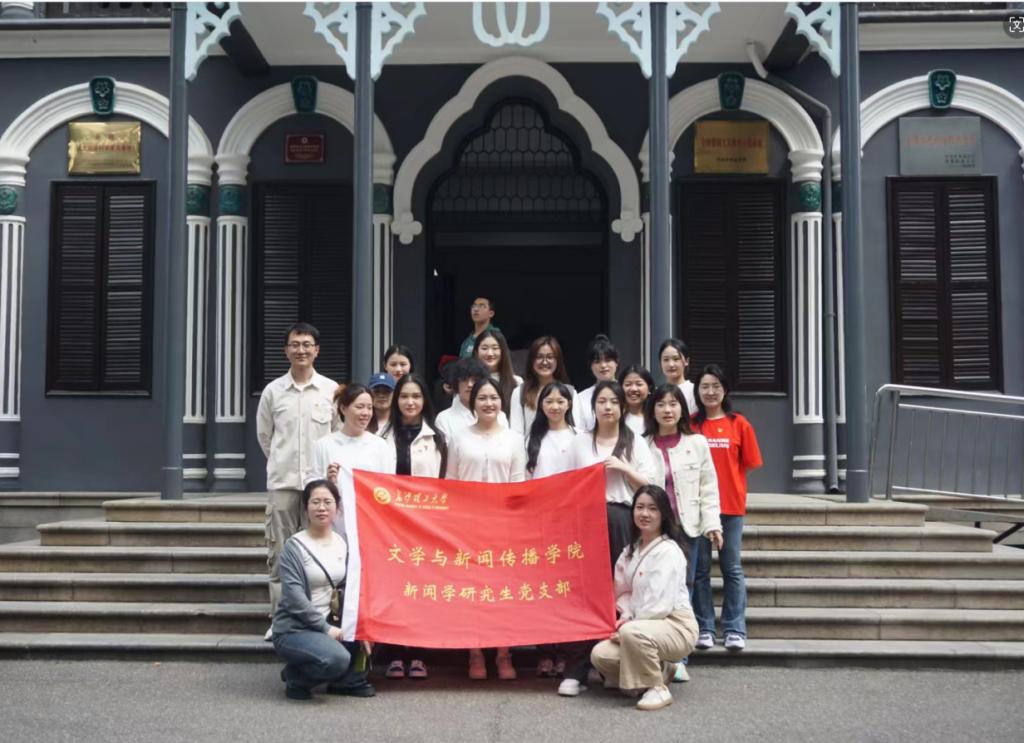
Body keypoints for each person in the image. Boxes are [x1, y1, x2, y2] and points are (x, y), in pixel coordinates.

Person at [561, 380, 657, 697]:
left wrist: (624, 469)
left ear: (622, 406)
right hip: (584, 520)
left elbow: (651, 485)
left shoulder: (634, 442)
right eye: (602, 401)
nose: (607, 407)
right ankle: (576, 669)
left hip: (621, 519)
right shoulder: (579, 442)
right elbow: (566, 482)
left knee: (620, 589)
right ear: (593, 407)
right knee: (584, 592)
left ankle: (612, 666)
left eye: (614, 402)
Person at [256, 321, 339, 639]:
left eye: (307, 344)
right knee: (281, 553)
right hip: (283, 484)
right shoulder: (273, 391)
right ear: (286, 350)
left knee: (318, 553)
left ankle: (317, 619)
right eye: (295, 344)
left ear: (317, 350)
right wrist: (282, 462)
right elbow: (266, 437)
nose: (301, 350)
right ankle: (280, 619)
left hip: (318, 486)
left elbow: (336, 435)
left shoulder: (330, 390)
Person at [590, 485, 699, 712]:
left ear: (663, 514)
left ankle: (656, 687)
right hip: (641, 624)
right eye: (639, 507)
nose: (645, 514)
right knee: (600, 655)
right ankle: (662, 670)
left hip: (675, 625)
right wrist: (626, 617)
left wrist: (628, 626)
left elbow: (660, 605)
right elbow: (623, 592)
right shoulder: (630, 550)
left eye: (652, 508)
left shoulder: (668, 551)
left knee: (631, 633)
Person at [446, 378, 526, 681]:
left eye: (493, 397)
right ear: (473, 402)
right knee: (473, 591)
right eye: (482, 398)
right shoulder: (459, 437)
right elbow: (451, 482)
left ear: (501, 402)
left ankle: (504, 653)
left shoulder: (514, 439)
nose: (488, 403)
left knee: (502, 591)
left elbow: (518, 484)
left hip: (502, 525)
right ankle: (475, 652)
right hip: (467, 525)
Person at [645, 382, 722, 682]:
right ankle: (657, 652)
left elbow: (708, 486)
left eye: (673, 404)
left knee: (684, 591)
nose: (667, 410)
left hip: (688, 528)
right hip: (654, 531)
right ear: (652, 409)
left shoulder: (697, 443)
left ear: (682, 409)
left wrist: (712, 524)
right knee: (655, 590)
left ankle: (679, 657)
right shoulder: (643, 444)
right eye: (661, 404)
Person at [271, 479, 375, 701]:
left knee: (373, 631)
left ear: (337, 508)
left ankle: (346, 682)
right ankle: (296, 678)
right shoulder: (294, 547)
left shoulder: (344, 543)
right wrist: (325, 628)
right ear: (305, 507)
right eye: (315, 502)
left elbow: (353, 587)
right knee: (336, 659)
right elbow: (294, 598)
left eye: (328, 502)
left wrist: (363, 626)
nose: (322, 508)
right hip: (296, 629)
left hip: (333, 619)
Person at [377, 373, 448, 681]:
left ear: (424, 400)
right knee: (395, 588)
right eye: (404, 396)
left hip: (425, 524)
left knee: (420, 588)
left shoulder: (438, 439)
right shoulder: (381, 437)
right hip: (390, 524)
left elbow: (445, 483)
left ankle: (418, 653)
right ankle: (395, 653)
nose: (410, 402)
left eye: (416, 396)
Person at [690, 364, 762, 652]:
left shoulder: (739, 424)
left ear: (725, 390)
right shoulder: (691, 424)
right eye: (705, 387)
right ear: (697, 391)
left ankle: (734, 628)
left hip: (730, 507)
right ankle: (705, 628)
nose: (710, 392)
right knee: (700, 571)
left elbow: (749, 463)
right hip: (698, 508)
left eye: (716, 386)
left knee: (731, 568)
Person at [525, 380, 578, 678]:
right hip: (538, 523)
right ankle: (544, 650)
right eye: (549, 401)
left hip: (570, 523)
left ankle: (565, 652)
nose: (555, 406)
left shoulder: (580, 438)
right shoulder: (531, 439)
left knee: (566, 590)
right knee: (541, 589)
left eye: (560, 401)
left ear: (569, 404)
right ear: (540, 406)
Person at [305, 383, 396, 505]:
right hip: (336, 513)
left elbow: (389, 485)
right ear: (343, 409)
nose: (365, 413)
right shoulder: (324, 445)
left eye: (369, 408)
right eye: (359, 407)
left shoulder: (380, 445)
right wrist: (326, 480)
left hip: (369, 511)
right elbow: (310, 484)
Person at [510, 336, 574, 439]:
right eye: (539, 357)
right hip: (530, 448)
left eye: (550, 357)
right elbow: (516, 433)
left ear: (558, 360)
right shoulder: (520, 392)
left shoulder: (570, 392)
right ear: (531, 360)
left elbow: (576, 429)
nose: (544, 362)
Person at [434, 357, 508, 441]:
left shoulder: (499, 415)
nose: (469, 384)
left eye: (475, 380)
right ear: (456, 383)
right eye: (464, 379)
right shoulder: (444, 419)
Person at [573, 335, 620, 433]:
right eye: (597, 361)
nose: (603, 365)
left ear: (616, 362)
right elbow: (579, 431)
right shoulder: (581, 398)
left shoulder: (626, 392)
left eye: (608, 360)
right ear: (590, 366)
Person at [473, 328, 522, 405]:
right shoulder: (468, 383)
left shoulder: (516, 382)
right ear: (476, 351)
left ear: (503, 351)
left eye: (495, 348)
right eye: (484, 348)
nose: (490, 353)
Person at [659, 338, 696, 414]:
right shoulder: (657, 392)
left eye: (676, 359)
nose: (671, 364)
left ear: (686, 361)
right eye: (666, 360)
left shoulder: (695, 391)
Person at [618, 364, 654, 437]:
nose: (633, 389)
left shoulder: (656, 417)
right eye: (628, 384)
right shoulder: (615, 417)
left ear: (649, 388)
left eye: (639, 384)